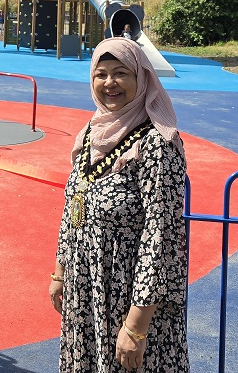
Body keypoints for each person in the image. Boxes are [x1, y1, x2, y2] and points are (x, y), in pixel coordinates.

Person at [51, 37, 189, 373]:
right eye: (101, 74)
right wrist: (60, 271)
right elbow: (74, 207)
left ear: (141, 78)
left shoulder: (157, 143)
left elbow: (162, 237)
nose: (109, 83)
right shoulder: (90, 134)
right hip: (88, 291)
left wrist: (136, 326)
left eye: (121, 73)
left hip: (132, 299)